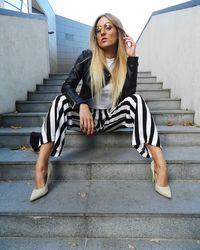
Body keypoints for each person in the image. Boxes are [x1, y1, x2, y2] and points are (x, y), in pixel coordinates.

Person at [30, 13, 172, 201]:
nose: (102, 33)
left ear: (119, 33)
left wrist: (131, 59)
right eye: (98, 30)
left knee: (137, 100)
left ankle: (160, 165)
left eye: (108, 27)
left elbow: (128, 96)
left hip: (113, 117)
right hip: (86, 119)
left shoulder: (124, 62)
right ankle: (41, 167)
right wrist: (81, 105)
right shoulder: (87, 57)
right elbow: (67, 86)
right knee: (59, 101)